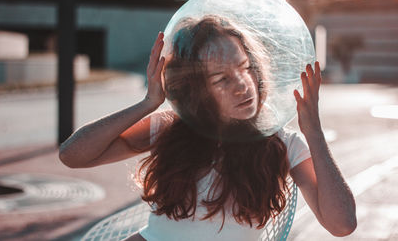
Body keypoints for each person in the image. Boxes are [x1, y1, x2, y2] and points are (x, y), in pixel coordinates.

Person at [59, 16, 357, 241]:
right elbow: (73, 156)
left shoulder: (283, 143)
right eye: (222, 79)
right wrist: (148, 103)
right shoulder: (170, 128)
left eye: (245, 67)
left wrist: (313, 132)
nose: (243, 85)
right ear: (198, 90)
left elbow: (342, 224)